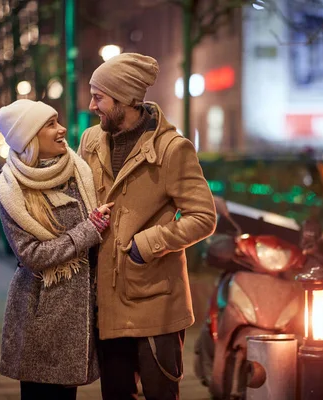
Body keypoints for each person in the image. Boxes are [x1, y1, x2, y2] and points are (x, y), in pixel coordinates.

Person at [77, 53, 217, 400]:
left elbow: (203, 217)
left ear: (125, 100)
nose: (91, 104)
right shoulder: (90, 141)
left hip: (155, 302)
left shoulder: (172, 150)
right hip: (106, 304)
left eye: (99, 97)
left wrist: (147, 245)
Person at [0, 99, 113, 400]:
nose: (61, 130)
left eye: (57, 121)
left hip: (78, 312)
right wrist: (88, 230)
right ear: (30, 137)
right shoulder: (11, 189)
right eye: (50, 124)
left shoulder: (78, 171)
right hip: (39, 315)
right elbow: (32, 255)